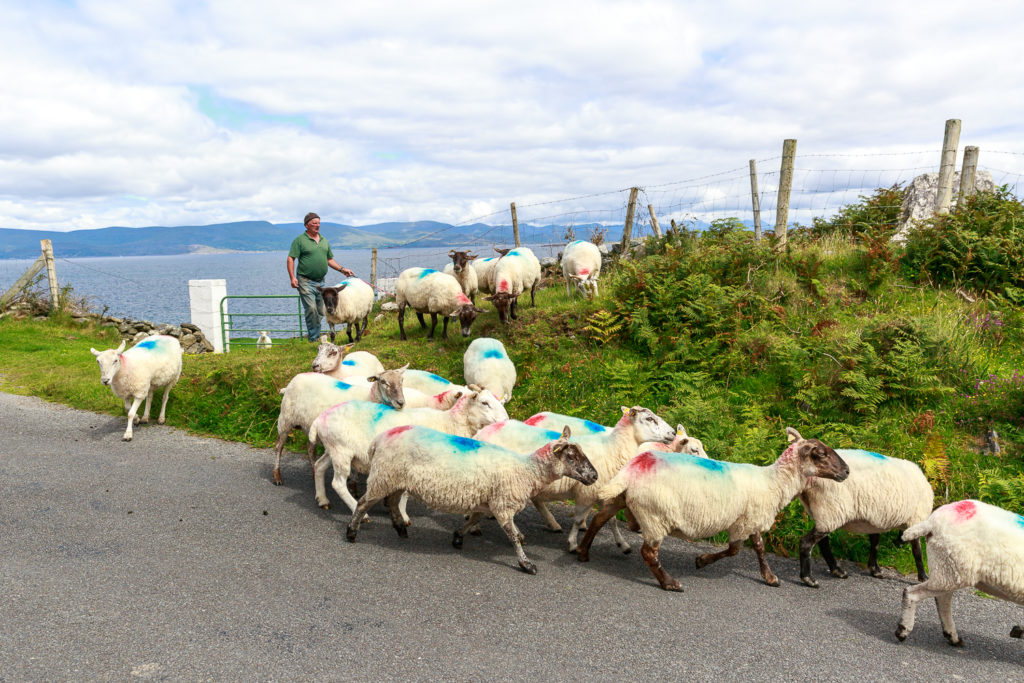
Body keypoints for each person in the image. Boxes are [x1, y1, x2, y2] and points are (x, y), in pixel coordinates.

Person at [287, 212, 355, 342]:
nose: (317, 225)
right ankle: (314, 338)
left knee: (320, 311)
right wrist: (292, 278)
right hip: (304, 280)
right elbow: (291, 258)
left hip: (320, 283)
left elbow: (329, 259)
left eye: (318, 223)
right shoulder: (300, 240)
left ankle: (315, 334)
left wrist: (342, 269)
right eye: (314, 223)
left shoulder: (324, 241)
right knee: (311, 309)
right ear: (307, 225)